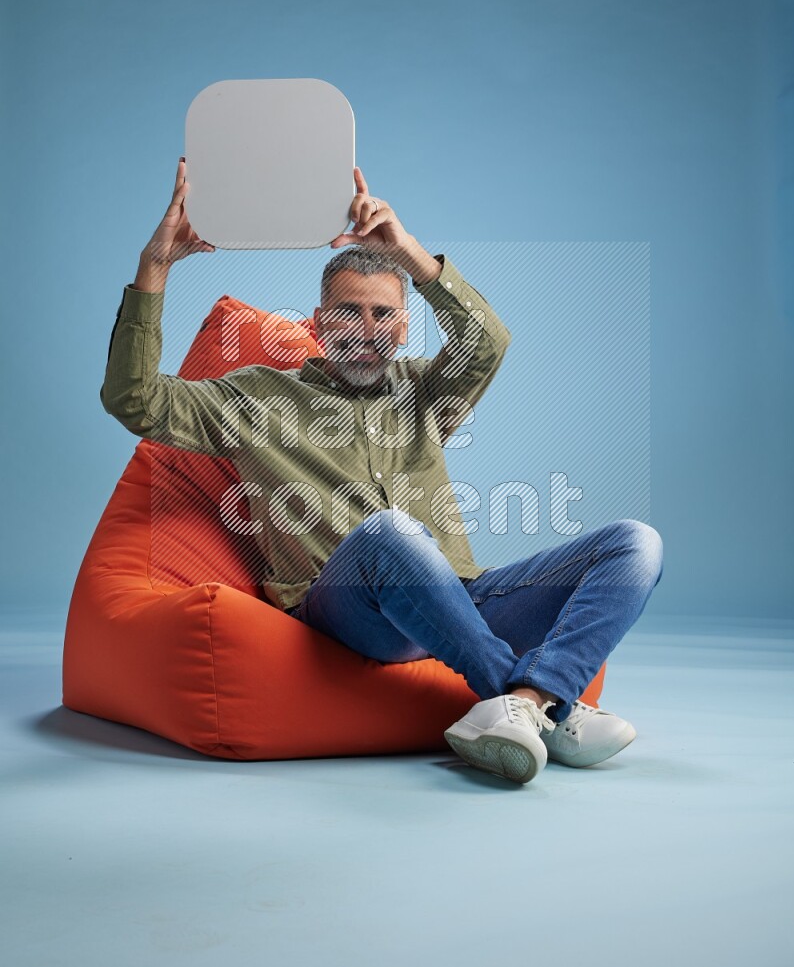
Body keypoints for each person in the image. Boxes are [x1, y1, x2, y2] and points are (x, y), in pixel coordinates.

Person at [101, 156, 664, 786]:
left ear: (401, 327)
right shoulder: (253, 397)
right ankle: (548, 705)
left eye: (382, 315)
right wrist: (155, 267)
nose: (365, 331)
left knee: (636, 543)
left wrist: (409, 253)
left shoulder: (425, 390)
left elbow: (488, 343)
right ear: (318, 323)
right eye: (348, 313)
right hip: (346, 609)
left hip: (456, 600)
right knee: (388, 532)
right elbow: (136, 400)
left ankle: (529, 705)